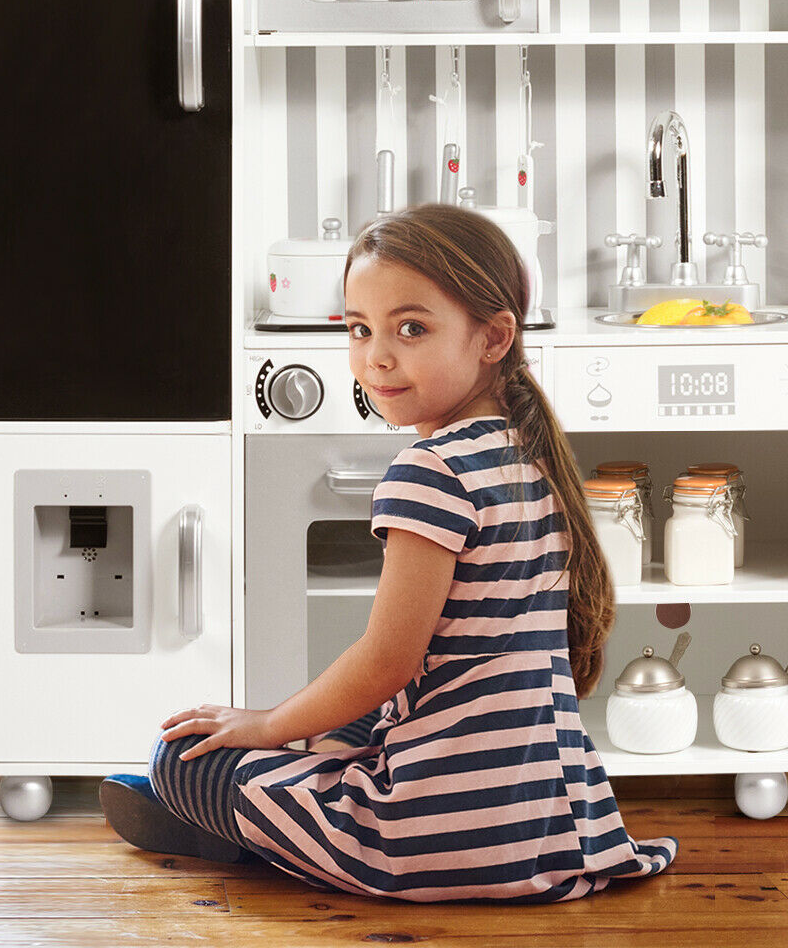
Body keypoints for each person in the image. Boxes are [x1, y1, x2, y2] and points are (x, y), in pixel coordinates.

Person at [99, 203, 678, 903]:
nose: (375, 356)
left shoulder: (430, 470)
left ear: (493, 338)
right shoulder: (529, 454)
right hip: (559, 827)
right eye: (358, 329)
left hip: (437, 839)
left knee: (178, 760)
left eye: (411, 329)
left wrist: (266, 725)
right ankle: (273, 810)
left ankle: (248, 825)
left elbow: (386, 661)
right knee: (348, 721)